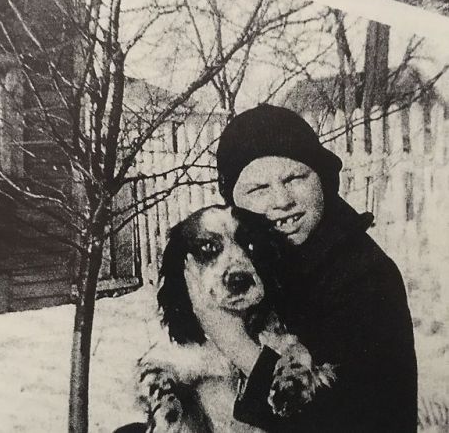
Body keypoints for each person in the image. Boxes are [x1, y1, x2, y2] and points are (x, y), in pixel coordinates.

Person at [116, 103, 417, 432]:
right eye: (258, 189)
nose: (281, 200)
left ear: (324, 179)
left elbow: (350, 419)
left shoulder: (366, 276)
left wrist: (233, 342)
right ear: (234, 202)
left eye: (295, 178)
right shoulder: (271, 254)